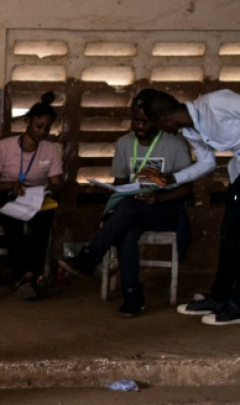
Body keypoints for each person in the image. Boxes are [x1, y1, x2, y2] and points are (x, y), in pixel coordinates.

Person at [139, 89, 240, 325]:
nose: (160, 131)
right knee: (229, 235)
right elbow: (207, 163)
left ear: (163, 120)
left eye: (154, 124)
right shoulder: (190, 131)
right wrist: (173, 179)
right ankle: (219, 298)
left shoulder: (216, 102)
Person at [59, 89, 193, 317]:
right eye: (135, 120)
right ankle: (132, 295)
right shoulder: (124, 143)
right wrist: (118, 190)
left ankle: (91, 257)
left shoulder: (175, 143)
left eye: (145, 121)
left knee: (128, 208)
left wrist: (157, 197)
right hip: (133, 209)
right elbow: (120, 182)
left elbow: (187, 188)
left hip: (165, 209)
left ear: (157, 120)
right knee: (127, 230)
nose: (139, 126)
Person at [0, 92, 64, 300]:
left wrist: (50, 189)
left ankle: (27, 277)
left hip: (35, 198)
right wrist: (12, 185)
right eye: (39, 126)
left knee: (45, 219)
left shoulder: (51, 150)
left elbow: (56, 182)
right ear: (27, 122)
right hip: (6, 196)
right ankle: (27, 275)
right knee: (13, 222)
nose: (42, 131)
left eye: (47, 128)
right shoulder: (4, 147)